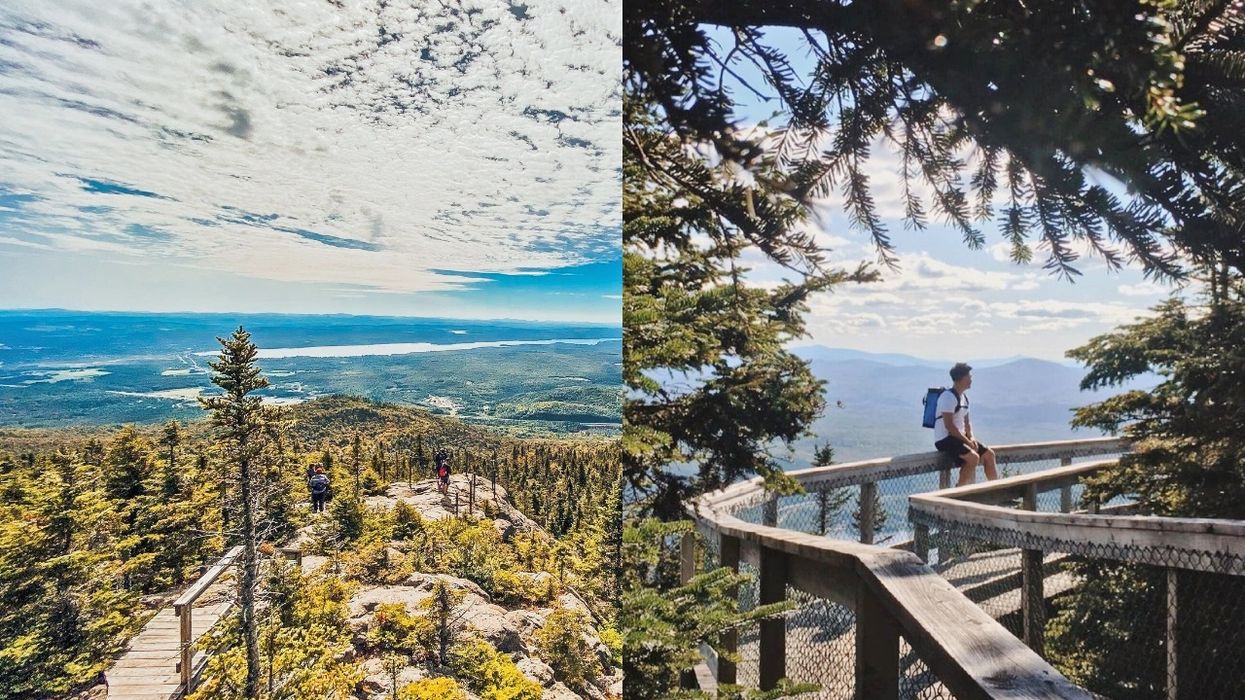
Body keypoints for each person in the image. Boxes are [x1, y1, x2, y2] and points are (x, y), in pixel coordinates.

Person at [933, 362, 998, 487]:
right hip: (944, 439)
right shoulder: (947, 397)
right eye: (969, 376)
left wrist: (971, 437)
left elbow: (967, 422)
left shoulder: (964, 398)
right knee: (973, 458)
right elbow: (949, 426)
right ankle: (959, 491)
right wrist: (968, 442)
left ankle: (998, 490)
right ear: (960, 378)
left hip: (959, 438)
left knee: (989, 455)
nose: (971, 379)